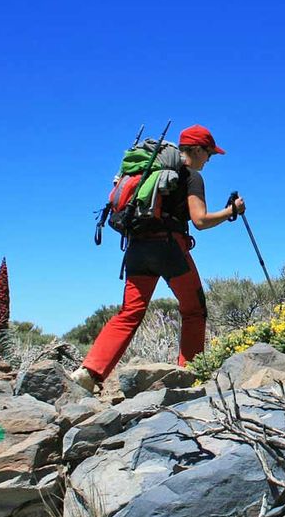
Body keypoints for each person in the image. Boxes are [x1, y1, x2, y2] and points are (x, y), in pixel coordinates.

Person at [71, 125, 245, 391]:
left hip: (137, 248)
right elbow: (200, 220)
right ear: (197, 150)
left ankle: (90, 372)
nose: (209, 160)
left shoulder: (146, 172)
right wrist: (231, 211)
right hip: (169, 249)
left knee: (130, 312)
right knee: (194, 310)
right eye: (209, 153)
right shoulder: (191, 176)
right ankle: (190, 374)